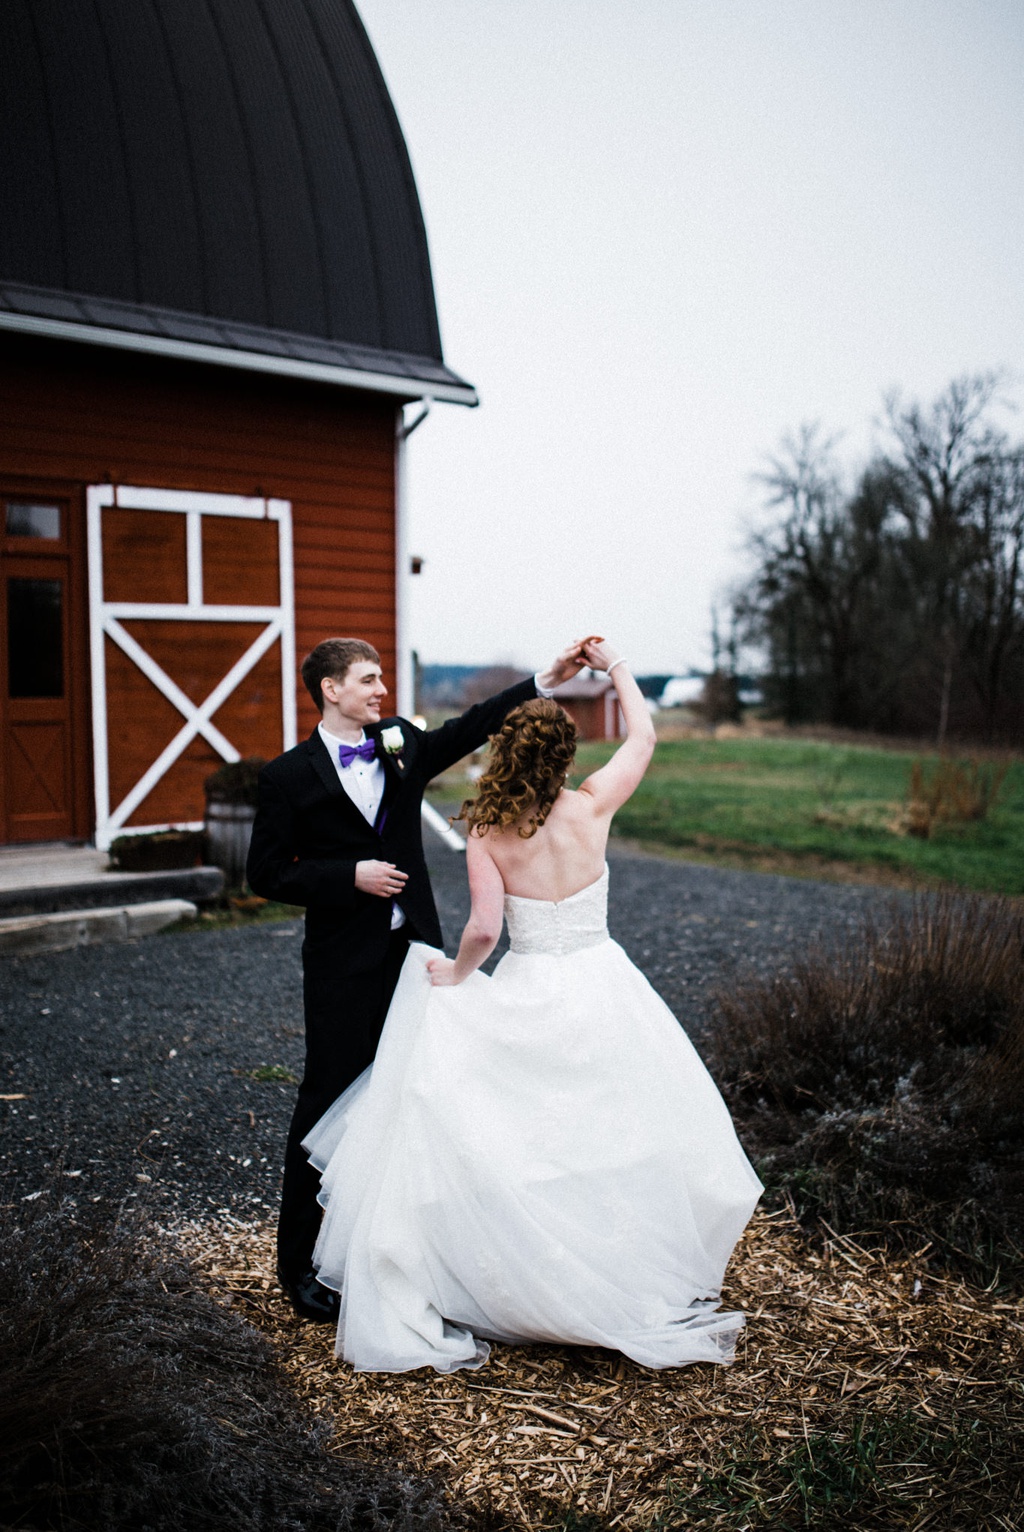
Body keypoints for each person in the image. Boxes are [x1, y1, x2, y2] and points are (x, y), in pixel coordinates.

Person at [302, 640, 763, 1372]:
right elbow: (644, 735)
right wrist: (614, 667)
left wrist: (455, 974)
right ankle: (619, 1263)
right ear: (566, 756)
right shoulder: (593, 807)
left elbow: (484, 929)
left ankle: (533, 1271)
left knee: (525, 1134)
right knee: (609, 1129)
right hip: (605, 985)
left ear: (506, 756)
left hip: (534, 982)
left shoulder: (488, 831)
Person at [246, 635, 591, 1322]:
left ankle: (400, 1249)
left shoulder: (402, 743)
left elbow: (469, 728)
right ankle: (300, 1268)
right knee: (326, 1101)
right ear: (331, 690)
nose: (381, 691)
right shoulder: (286, 777)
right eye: (368, 681)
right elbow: (265, 873)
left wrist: (541, 680)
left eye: (380, 680)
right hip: (342, 965)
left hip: (418, 959)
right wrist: (347, 877)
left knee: (419, 1094)